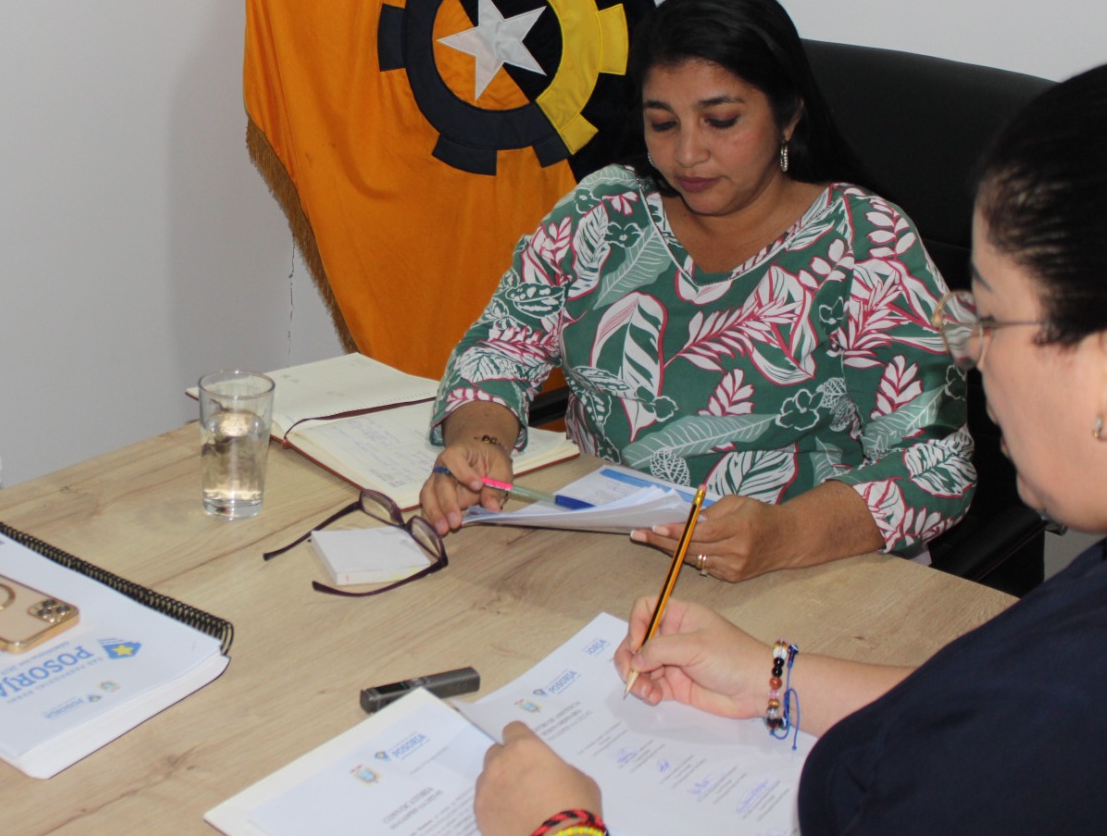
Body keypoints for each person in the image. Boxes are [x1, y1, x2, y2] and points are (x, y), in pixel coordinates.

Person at [472, 62, 1107, 835]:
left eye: (993, 319)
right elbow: (975, 703)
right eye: (663, 121)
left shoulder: (1068, 711)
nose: (968, 350)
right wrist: (773, 677)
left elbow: (1006, 728)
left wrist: (556, 826)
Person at [422, 0, 972, 581]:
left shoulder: (866, 245)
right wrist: (482, 441)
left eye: (720, 121)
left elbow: (935, 463)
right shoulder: (605, 210)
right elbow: (501, 345)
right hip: (605, 548)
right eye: (663, 124)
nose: (687, 154)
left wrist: (785, 536)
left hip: (801, 572)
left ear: (788, 117)